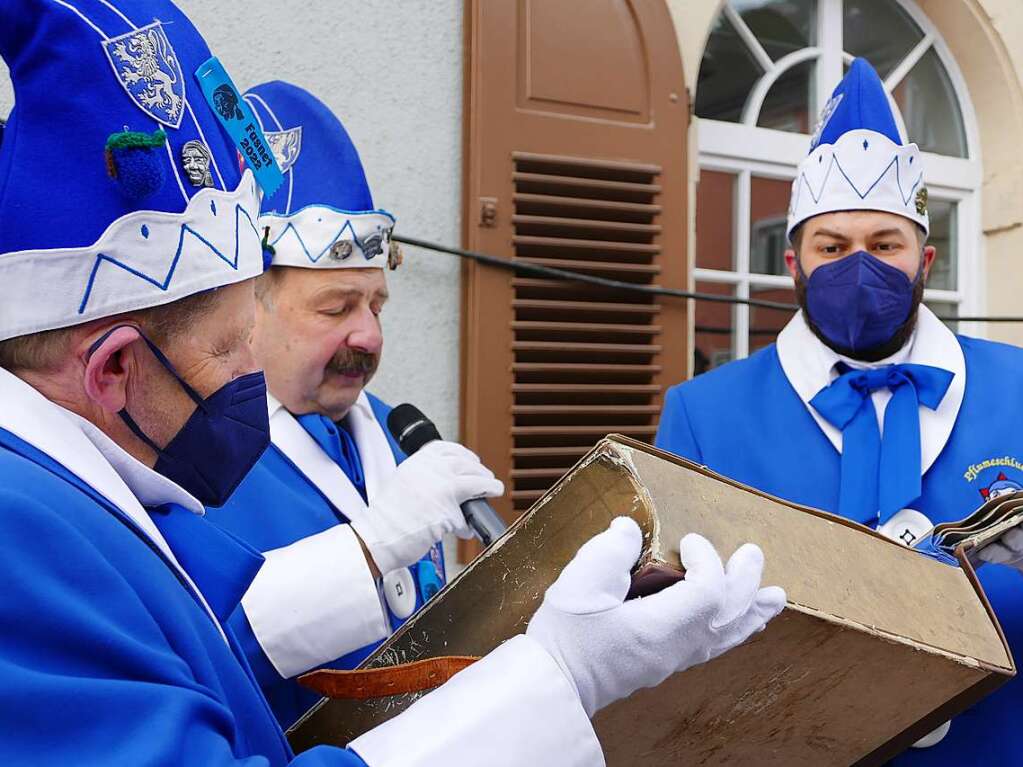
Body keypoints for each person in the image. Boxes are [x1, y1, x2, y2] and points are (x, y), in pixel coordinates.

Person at [0, 1, 786, 764]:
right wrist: (559, 672)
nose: (366, 334)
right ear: (111, 369)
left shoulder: (129, 475)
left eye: (377, 302)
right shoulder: (22, 533)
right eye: (238, 343)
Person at [655, 58, 1023, 765]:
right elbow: (672, 644)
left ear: (925, 260)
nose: (860, 267)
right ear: (791, 263)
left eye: (885, 245)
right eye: (832, 247)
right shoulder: (702, 412)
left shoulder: (1019, 383)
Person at [208, 81, 484, 728]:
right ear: (246, 305)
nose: (370, 336)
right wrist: (371, 546)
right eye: (337, 307)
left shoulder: (390, 428)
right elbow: (207, 650)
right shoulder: (190, 456)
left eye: (376, 304)